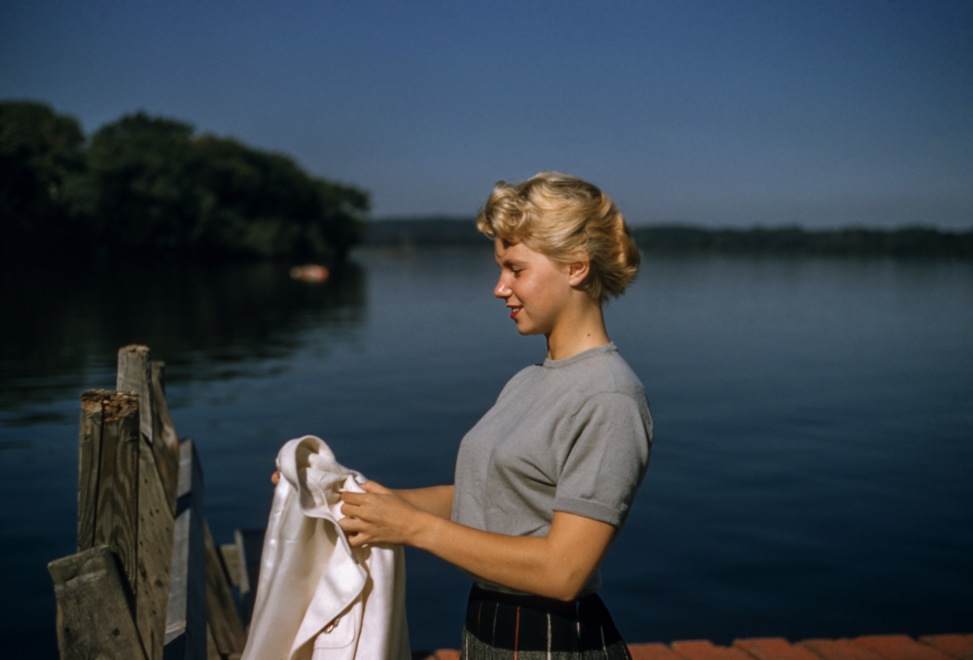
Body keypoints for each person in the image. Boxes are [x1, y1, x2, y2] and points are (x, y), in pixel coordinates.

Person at [338, 172, 653, 659]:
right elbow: (488, 497)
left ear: (575, 268)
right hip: (487, 632)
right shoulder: (530, 379)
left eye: (515, 269)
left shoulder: (609, 396)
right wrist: (367, 502)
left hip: (551, 644)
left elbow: (563, 572)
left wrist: (413, 529)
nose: (499, 288)